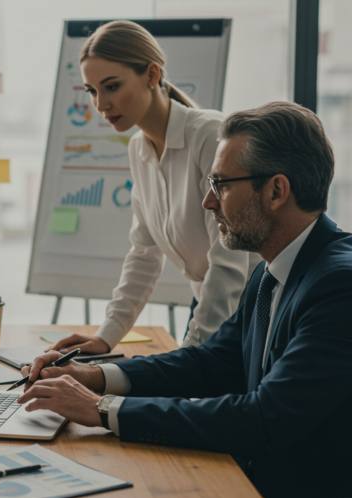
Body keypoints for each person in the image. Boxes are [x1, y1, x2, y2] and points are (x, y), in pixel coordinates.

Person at [18, 101, 352, 498]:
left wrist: (102, 409)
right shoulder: (271, 268)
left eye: (221, 185)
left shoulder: (338, 285)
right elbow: (211, 362)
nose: (208, 203)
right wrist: (97, 376)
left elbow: (265, 417)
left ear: (276, 191)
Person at [51, 20, 257, 354]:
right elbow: (144, 254)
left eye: (112, 86)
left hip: (249, 307)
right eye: (92, 91)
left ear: (152, 74)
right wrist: (106, 337)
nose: (101, 104)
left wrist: (193, 357)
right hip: (208, 300)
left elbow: (229, 259)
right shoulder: (138, 148)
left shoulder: (209, 136)